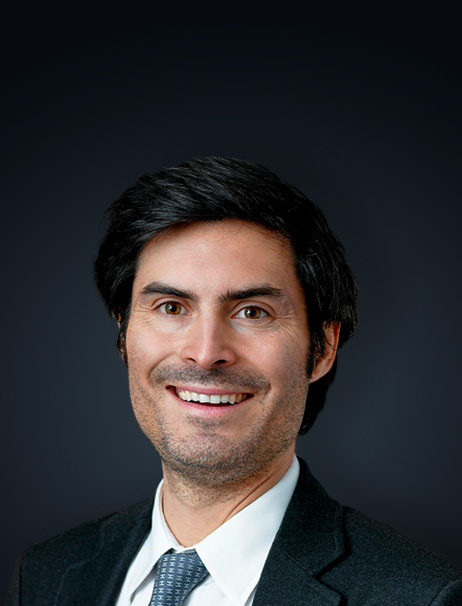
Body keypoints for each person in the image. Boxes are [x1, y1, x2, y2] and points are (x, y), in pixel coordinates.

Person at [7, 157, 462, 605]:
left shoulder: (422, 597)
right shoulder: (46, 576)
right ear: (123, 333)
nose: (206, 353)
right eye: (171, 307)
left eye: (253, 312)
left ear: (323, 348)